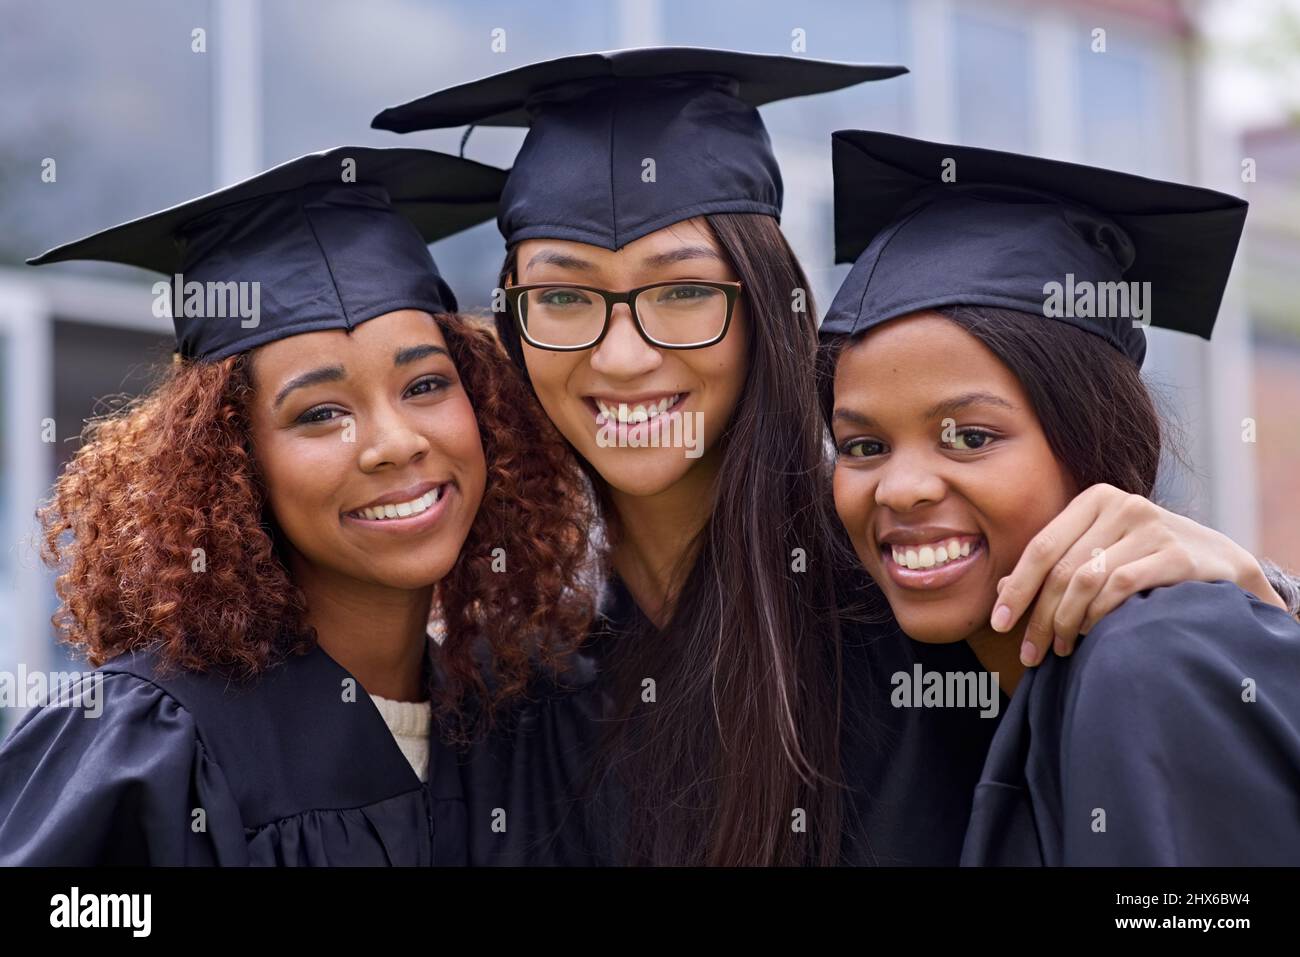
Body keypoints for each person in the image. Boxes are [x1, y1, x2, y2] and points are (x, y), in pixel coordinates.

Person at [375, 48, 1299, 865]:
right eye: (564, 298)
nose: (621, 355)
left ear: (767, 308)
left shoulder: (937, 612)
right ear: (510, 325)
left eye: (685, 289)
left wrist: (1254, 605)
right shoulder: (520, 706)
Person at [0, 146, 595, 865]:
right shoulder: (155, 750)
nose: (393, 443)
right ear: (233, 463)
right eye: (319, 413)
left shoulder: (522, 728)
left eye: (425, 385)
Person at [818, 129, 1300, 865]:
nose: (903, 487)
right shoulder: (928, 696)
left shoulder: (1147, 660)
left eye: (970, 437)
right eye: (862, 446)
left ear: (1092, 445)